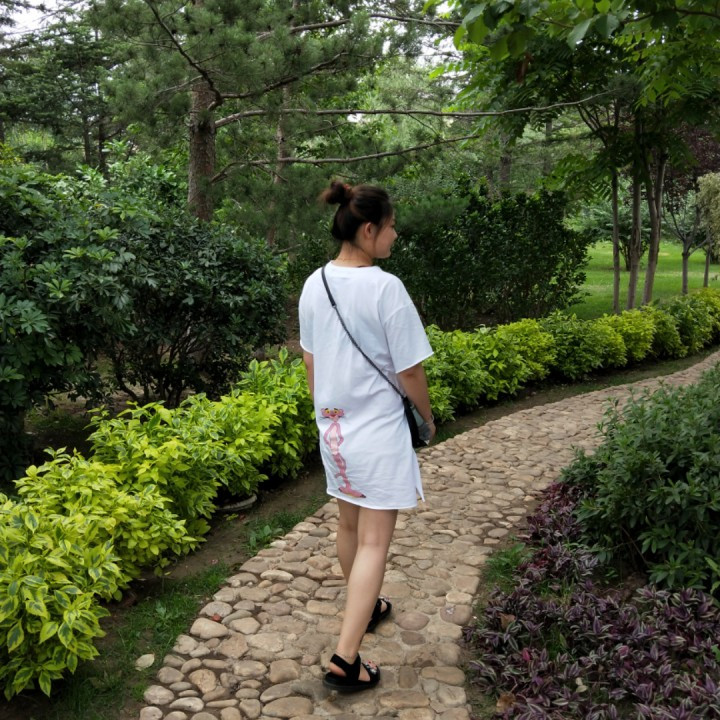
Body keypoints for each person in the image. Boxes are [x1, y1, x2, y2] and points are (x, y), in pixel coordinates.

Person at [298, 180, 436, 693]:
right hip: (378, 432)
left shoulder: (315, 283)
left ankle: (368, 604)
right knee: (376, 540)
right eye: (392, 227)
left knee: (349, 525)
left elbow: (311, 362)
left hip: (334, 428)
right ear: (369, 229)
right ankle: (346, 657)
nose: (396, 235)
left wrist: (325, 416)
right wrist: (427, 418)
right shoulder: (386, 287)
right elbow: (411, 371)